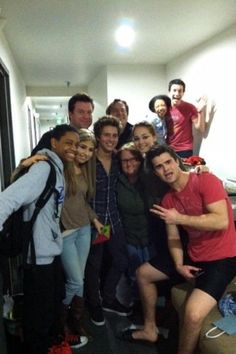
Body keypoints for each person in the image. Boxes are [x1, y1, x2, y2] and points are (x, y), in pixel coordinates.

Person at [122, 144, 236, 354]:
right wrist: (179, 265)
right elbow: (173, 236)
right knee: (143, 274)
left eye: (168, 162)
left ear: (177, 160)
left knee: (193, 314)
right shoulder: (167, 200)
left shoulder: (205, 180)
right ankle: (150, 329)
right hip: (194, 253)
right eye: (158, 167)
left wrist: (179, 217)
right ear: (155, 172)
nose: (165, 169)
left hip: (223, 257)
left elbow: (221, 222)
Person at [0, 124, 80, 354]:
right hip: (38, 257)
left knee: (50, 307)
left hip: (49, 252)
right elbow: (8, 199)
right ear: (54, 142)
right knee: (39, 316)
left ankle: (48, 345)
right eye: (68, 142)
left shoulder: (56, 168)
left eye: (76, 144)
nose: (73, 148)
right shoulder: (43, 168)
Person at [84, 115, 130, 326]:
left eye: (114, 135)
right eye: (106, 135)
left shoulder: (120, 159)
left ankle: (109, 299)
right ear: (98, 136)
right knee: (94, 266)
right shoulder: (87, 160)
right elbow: (78, 196)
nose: (111, 139)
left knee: (120, 260)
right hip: (96, 224)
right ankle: (94, 304)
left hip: (114, 221)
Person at [60, 129, 103, 340]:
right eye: (82, 146)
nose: (85, 152)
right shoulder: (60, 167)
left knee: (81, 279)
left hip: (84, 230)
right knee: (75, 281)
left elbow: (82, 202)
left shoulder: (85, 171)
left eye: (89, 149)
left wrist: (95, 220)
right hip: (66, 233)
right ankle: (60, 320)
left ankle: (75, 322)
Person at [117, 142, 152, 301]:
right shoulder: (117, 182)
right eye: (125, 160)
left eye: (133, 159)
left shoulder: (149, 180)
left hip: (151, 240)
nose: (129, 163)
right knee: (133, 276)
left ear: (140, 160)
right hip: (129, 240)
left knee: (151, 278)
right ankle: (136, 307)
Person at [167, 78, 207, 158]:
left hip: (185, 149)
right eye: (174, 90)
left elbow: (201, 129)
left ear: (183, 93)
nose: (177, 93)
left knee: (184, 170)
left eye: (180, 91)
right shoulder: (165, 108)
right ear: (169, 92)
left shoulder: (189, 107)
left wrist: (200, 111)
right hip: (168, 149)